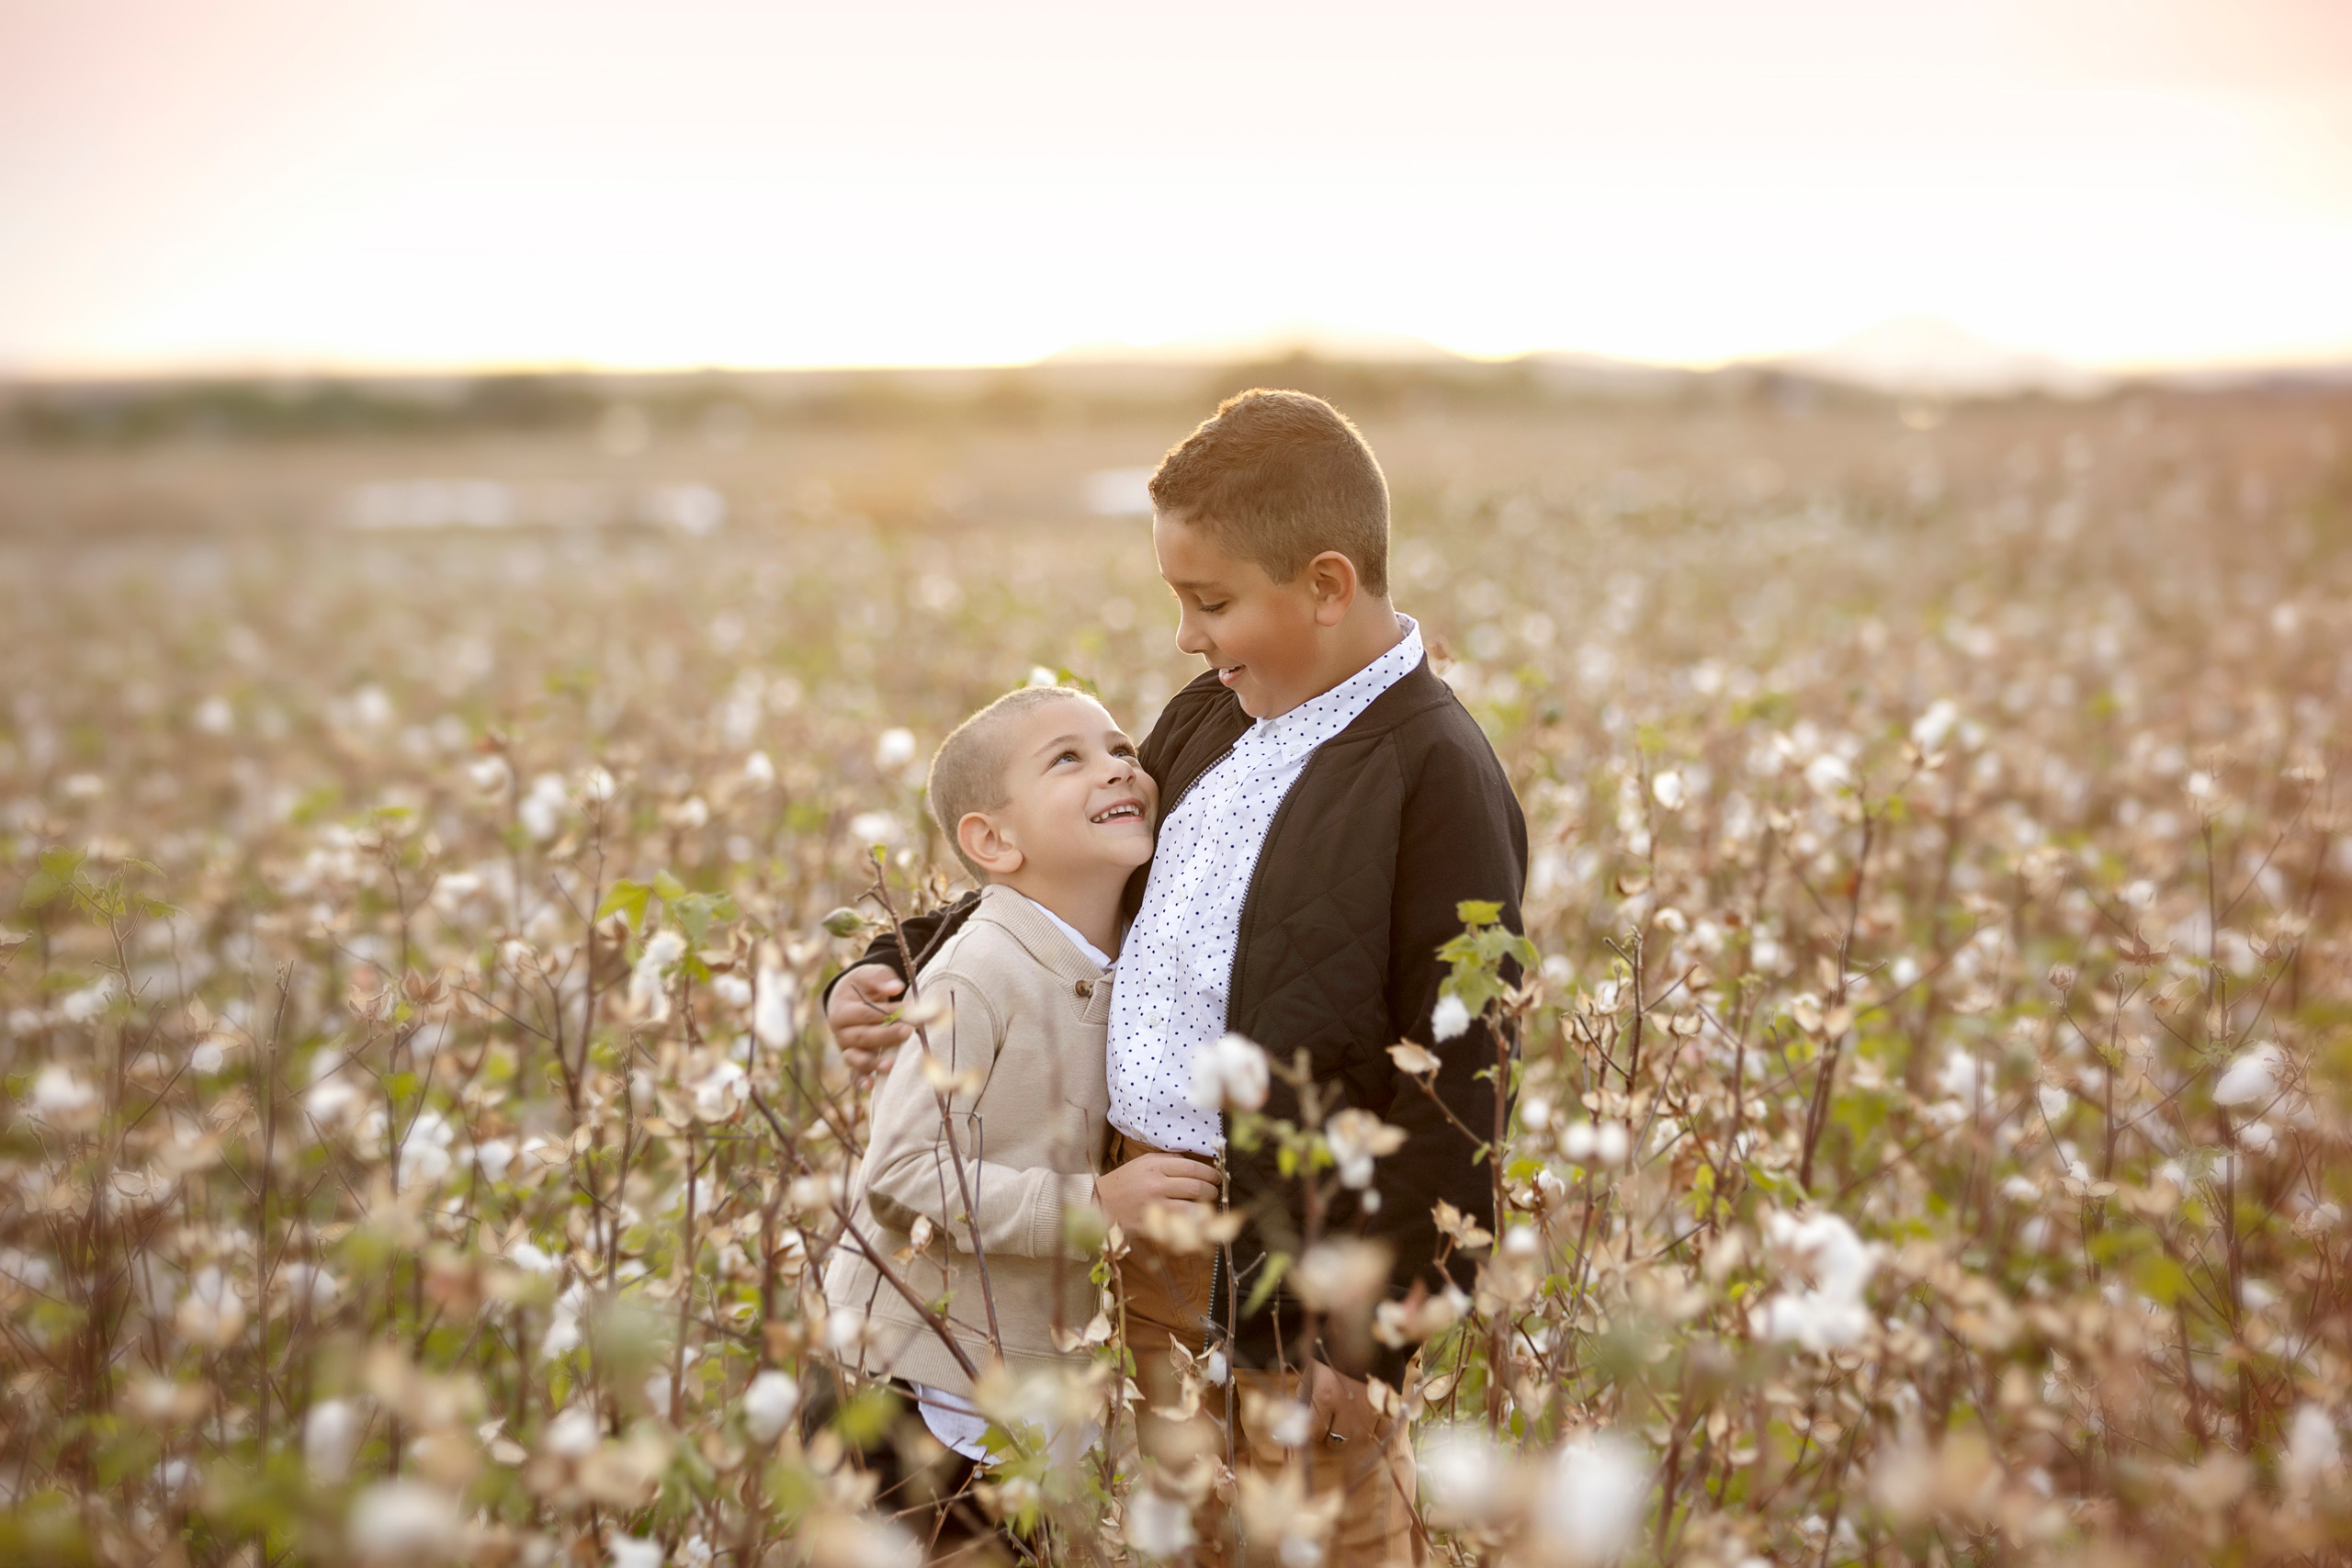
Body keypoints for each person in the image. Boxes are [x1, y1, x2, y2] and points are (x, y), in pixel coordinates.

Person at [831, 389, 1528, 1567]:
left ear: (1324, 584)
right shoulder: (1211, 715)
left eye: (1210, 603)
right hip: (1136, 1239)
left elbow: (1461, 1071)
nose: (1187, 638)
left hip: (1296, 1275)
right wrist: (890, 963)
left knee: (1326, 1532)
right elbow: (1070, 873)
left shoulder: (1438, 773)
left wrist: (1368, 1340)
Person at [820, 684, 1222, 1551]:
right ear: (992, 841)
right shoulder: (978, 975)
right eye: (1067, 758)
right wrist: (1095, 1208)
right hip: (920, 1385)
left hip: (1020, 1374)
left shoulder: (1133, 950)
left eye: (1120, 747)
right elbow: (900, 1175)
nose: (1118, 765)